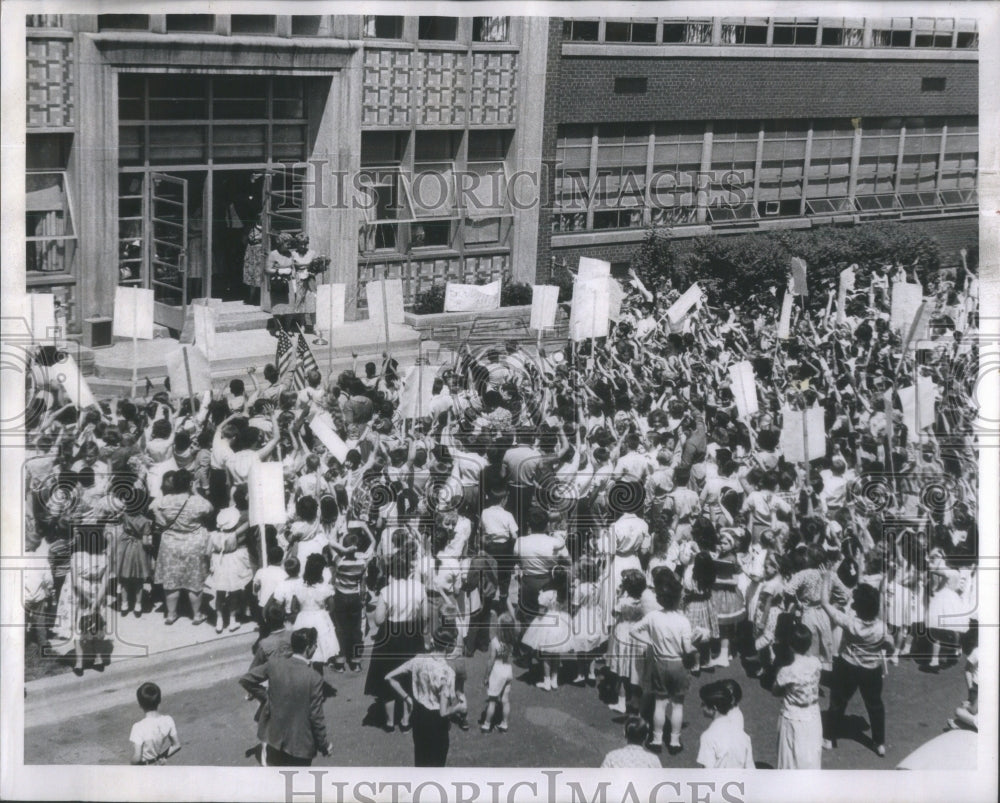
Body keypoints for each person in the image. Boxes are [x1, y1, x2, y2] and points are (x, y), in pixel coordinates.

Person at [239, 627, 333, 767]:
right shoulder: (314, 678)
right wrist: (324, 745)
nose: (315, 648)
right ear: (308, 647)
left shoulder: (275, 664)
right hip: (300, 745)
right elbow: (316, 717)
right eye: (315, 645)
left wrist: (266, 697)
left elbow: (247, 679)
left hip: (274, 738)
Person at [820, 579, 894, 757]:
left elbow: (824, 604)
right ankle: (879, 743)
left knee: (838, 701)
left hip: (847, 666)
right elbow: (890, 647)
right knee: (875, 705)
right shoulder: (881, 628)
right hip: (871, 670)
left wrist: (825, 580)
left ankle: (829, 738)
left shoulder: (849, 622)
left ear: (858, 607)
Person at [630, 570, 699, 755]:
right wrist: (697, 641)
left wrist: (649, 641)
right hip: (678, 664)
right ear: (678, 599)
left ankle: (657, 739)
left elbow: (633, 630)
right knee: (677, 704)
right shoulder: (683, 621)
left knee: (660, 703)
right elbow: (687, 648)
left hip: (660, 663)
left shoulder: (653, 617)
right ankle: (675, 741)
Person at [385, 626, 468, 767]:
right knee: (437, 764)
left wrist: (407, 698)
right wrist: (459, 707)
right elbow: (443, 712)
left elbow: (389, 677)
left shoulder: (419, 659)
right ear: (449, 646)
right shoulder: (447, 672)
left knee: (421, 759)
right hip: (436, 723)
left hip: (418, 716)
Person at [149, 469, 214, 625]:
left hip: (170, 543)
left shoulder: (165, 500)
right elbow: (210, 509)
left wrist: (161, 520)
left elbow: (152, 507)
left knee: (171, 581)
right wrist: (195, 491)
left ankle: (171, 614)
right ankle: (197, 615)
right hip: (193, 543)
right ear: (189, 484)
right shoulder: (196, 501)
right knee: (195, 581)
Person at [773, 623, 823, 769]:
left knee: (790, 756)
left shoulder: (787, 671)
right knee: (811, 756)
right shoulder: (816, 663)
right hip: (813, 715)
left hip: (793, 717)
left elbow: (775, 690)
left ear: (790, 646)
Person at [290, 554, 339, 669]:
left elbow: (293, 608)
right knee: (319, 651)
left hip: (303, 618)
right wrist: (323, 610)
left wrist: (302, 610)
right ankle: (316, 679)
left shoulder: (298, 586)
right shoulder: (324, 588)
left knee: (302, 650)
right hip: (320, 618)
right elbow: (332, 607)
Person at [696, 680, 754, 769]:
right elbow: (750, 769)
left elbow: (707, 773)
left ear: (714, 708)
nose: (701, 707)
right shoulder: (744, 736)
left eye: (704, 704)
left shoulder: (708, 736)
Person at [480, 613, 517, 733]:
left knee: (492, 700)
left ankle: (486, 724)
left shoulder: (495, 642)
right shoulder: (511, 641)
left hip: (497, 670)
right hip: (507, 670)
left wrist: (486, 676)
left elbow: (491, 660)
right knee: (505, 700)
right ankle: (504, 723)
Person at [129, 682, 181, 765]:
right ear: (159, 700)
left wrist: (131, 764)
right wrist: (160, 757)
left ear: (140, 704)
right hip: (158, 765)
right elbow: (176, 745)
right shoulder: (168, 720)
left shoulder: (138, 727)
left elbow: (137, 758)